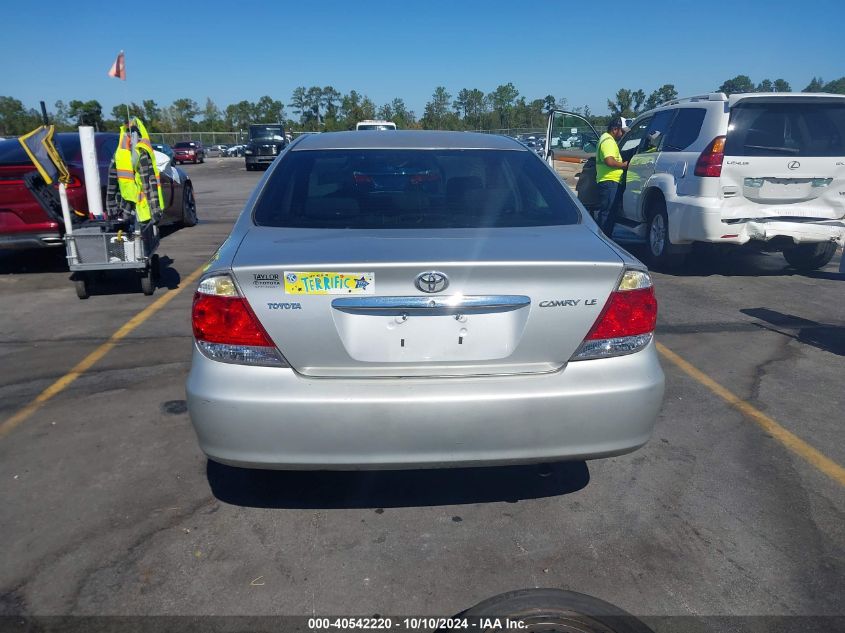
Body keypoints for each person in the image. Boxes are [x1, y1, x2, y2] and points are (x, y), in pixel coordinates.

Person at [595, 117, 629, 236]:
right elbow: (609, 161)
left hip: (609, 182)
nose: (622, 134)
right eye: (622, 131)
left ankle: (604, 238)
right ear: (615, 129)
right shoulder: (608, 141)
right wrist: (624, 165)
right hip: (609, 181)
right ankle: (605, 240)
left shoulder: (607, 139)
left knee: (607, 213)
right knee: (607, 214)